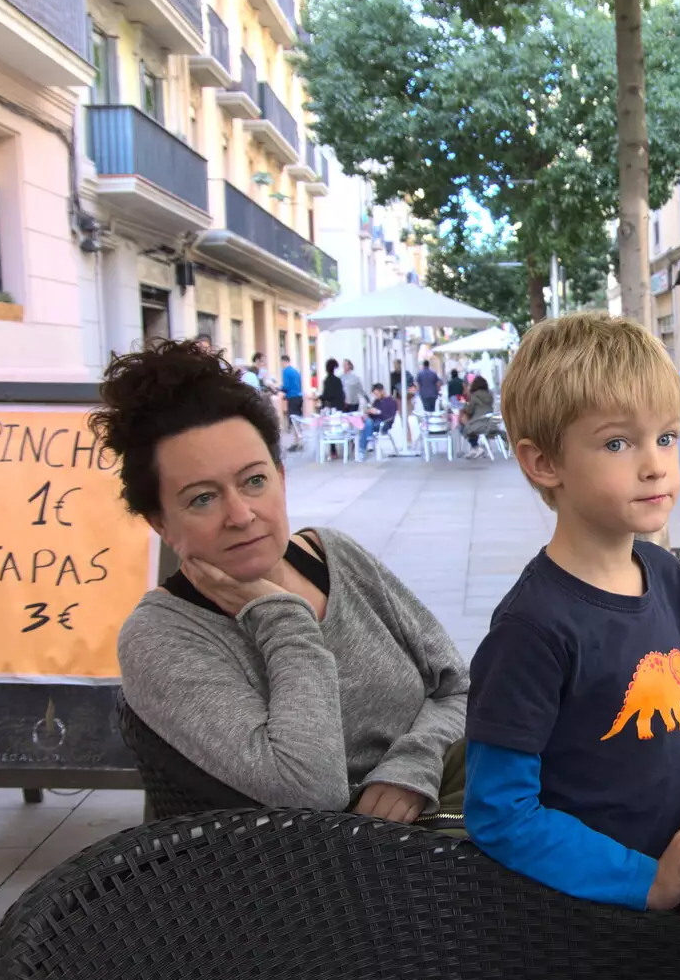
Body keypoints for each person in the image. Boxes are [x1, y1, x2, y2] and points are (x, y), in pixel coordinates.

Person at [463, 313, 680, 914]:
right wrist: (647, 881)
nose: (655, 464)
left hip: (678, 872)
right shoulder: (533, 628)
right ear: (543, 462)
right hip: (589, 918)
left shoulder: (666, 575)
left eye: (667, 437)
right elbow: (500, 813)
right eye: (618, 443)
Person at [93, 340, 467, 821]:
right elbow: (309, 792)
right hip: (327, 875)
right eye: (202, 499)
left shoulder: (334, 556)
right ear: (160, 523)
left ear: (282, 477)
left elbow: (458, 687)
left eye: (254, 481)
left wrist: (411, 768)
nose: (242, 515)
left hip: (454, 812)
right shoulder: (162, 638)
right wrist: (282, 618)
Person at [458, 374, 503, 459]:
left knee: (462, 425)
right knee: (469, 424)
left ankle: (475, 447)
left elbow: (469, 410)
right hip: (490, 423)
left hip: (479, 423)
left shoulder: (474, 396)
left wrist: (466, 401)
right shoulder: (489, 395)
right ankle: (475, 449)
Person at [358, 382, 398, 457]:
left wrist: (378, 412)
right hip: (374, 422)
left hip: (385, 423)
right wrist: (369, 412)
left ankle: (362, 451)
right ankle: (369, 440)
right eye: (374, 395)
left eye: (376, 394)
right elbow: (372, 415)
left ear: (382, 391)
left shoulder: (392, 402)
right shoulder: (376, 401)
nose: (376, 396)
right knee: (368, 422)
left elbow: (391, 416)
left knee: (365, 427)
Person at [280, 354, 304, 452]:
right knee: (297, 419)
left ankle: (296, 442)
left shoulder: (285, 371)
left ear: (284, 362)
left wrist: (278, 388)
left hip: (292, 397)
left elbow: (286, 386)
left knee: (293, 420)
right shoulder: (296, 371)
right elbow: (298, 385)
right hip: (299, 397)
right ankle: (299, 441)